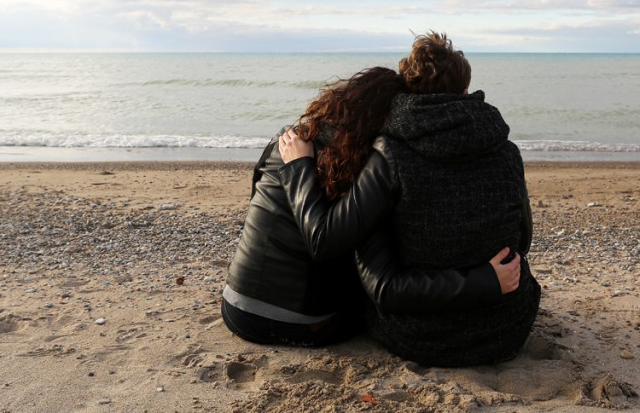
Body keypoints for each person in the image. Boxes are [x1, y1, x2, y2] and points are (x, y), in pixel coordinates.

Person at [278, 32, 539, 366]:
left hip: (419, 337)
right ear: (465, 90)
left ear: (407, 91)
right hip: (507, 328)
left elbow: (335, 245)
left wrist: (299, 167)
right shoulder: (506, 151)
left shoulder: (390, 154)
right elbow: (523, 239)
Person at [222, 66, 521, 348]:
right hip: (309, 324)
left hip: (236, 309)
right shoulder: (364, 169)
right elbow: (332, 247)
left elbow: (256, 200)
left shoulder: (288, 140)